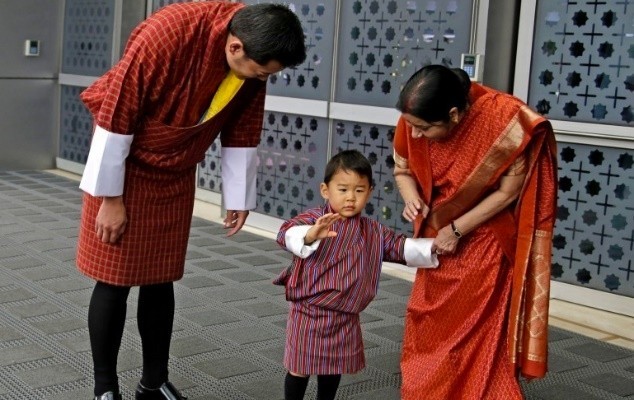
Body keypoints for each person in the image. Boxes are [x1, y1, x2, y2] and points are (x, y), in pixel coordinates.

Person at [75, 2, 306, 400]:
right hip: (124, 164)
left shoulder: (251, 49)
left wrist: (237, 197)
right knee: (113, 281)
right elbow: (118, 112)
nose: (262, 80)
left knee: (161, 279)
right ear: (235, 47)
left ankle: (153, 382)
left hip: (177, 168)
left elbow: (244, 124)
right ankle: (104, 389)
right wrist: (110, 198)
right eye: (262, 72)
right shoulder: (166, 33)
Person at [393, 65, 558, 399]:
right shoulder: (414, 115)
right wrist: (411, 198)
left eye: (424, 129)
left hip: (484, 238)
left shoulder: (504, 120)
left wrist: (457, 228)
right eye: (412, 127)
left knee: (470, 329)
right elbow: (402, 169)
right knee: (426, 319)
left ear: (453, 115)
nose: (415, 136)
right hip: (436, 237)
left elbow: (508, 192)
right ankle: (428, 386)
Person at [273, 149, 439, 400]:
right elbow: (285, 233)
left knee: (333, 367)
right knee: (299, 368)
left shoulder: (372, 230)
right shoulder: (315, 219)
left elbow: (399, 247)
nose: (351, 197)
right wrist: (309, 235)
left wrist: (435, 247)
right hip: (309, 311)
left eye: (359, 190)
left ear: (370, 192)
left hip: (346, 315)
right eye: (343, 189)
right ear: (325, 190)